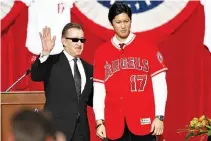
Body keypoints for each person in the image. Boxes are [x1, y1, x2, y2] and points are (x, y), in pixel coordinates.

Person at [93, 2, 168, 141]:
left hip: (144, 123)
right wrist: (99, 122)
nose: (123, 26)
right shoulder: (101, 52)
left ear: (131, 21)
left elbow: (160, 85)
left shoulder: (148, 47)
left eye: (126, 21)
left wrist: (159, 116)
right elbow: (98, 90)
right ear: (112, 23)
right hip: (114, 124)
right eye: (118, 22)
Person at [31, 22, 93, 141]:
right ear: (64, 41)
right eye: (75, 40)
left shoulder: (89, 68)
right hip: (57, 131)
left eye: (82, 40)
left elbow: (91, 99)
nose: (79, 44)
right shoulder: (51, 62)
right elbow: (36, 75)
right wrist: (45, 53)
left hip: (82, 132)